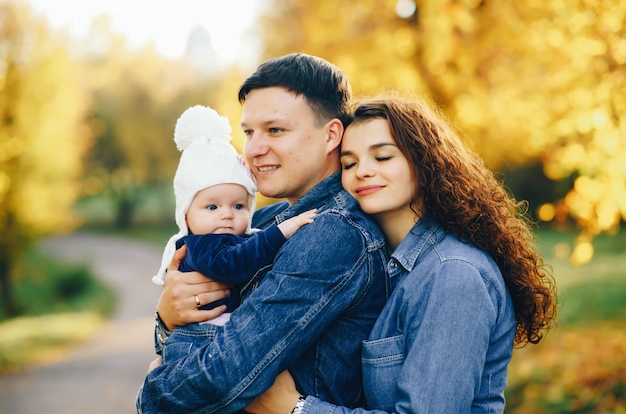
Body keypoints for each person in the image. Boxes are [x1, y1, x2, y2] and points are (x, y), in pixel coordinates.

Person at [246, 96, 558, 413]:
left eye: (382, 157)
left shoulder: (452, 275)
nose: (363, 171)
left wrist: (295, 408)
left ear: (424, 163)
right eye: (349, 163)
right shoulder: (378, 263)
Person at [137, 53, 389, 413]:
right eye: (249, 132)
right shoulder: (269, 219)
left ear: (332, 134)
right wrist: (167, 318)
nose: (254, 149)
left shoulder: (332, 233)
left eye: (275, 130)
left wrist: (151, 397)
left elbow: (225, 373)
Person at [151, 105, 316, 364]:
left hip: (217, 336)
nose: (226, 215)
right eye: (212, 207)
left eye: (238, 206)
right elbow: (234, 263)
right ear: (186, 214)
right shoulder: (200, 244)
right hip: (200, 339)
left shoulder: (244, 233)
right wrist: (280, 232)